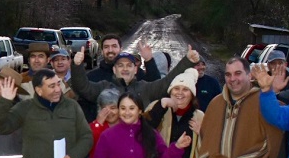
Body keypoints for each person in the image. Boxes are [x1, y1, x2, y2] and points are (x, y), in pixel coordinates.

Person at [71, 44, 200, 109]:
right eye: (120, 65)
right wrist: (77, 65)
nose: (125, 68)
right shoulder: (103, 87)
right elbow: (82, 87)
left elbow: (167, 82)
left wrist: (187, 61)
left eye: (129, 65)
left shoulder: (145, 88)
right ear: (114, 70)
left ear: (136, 69)